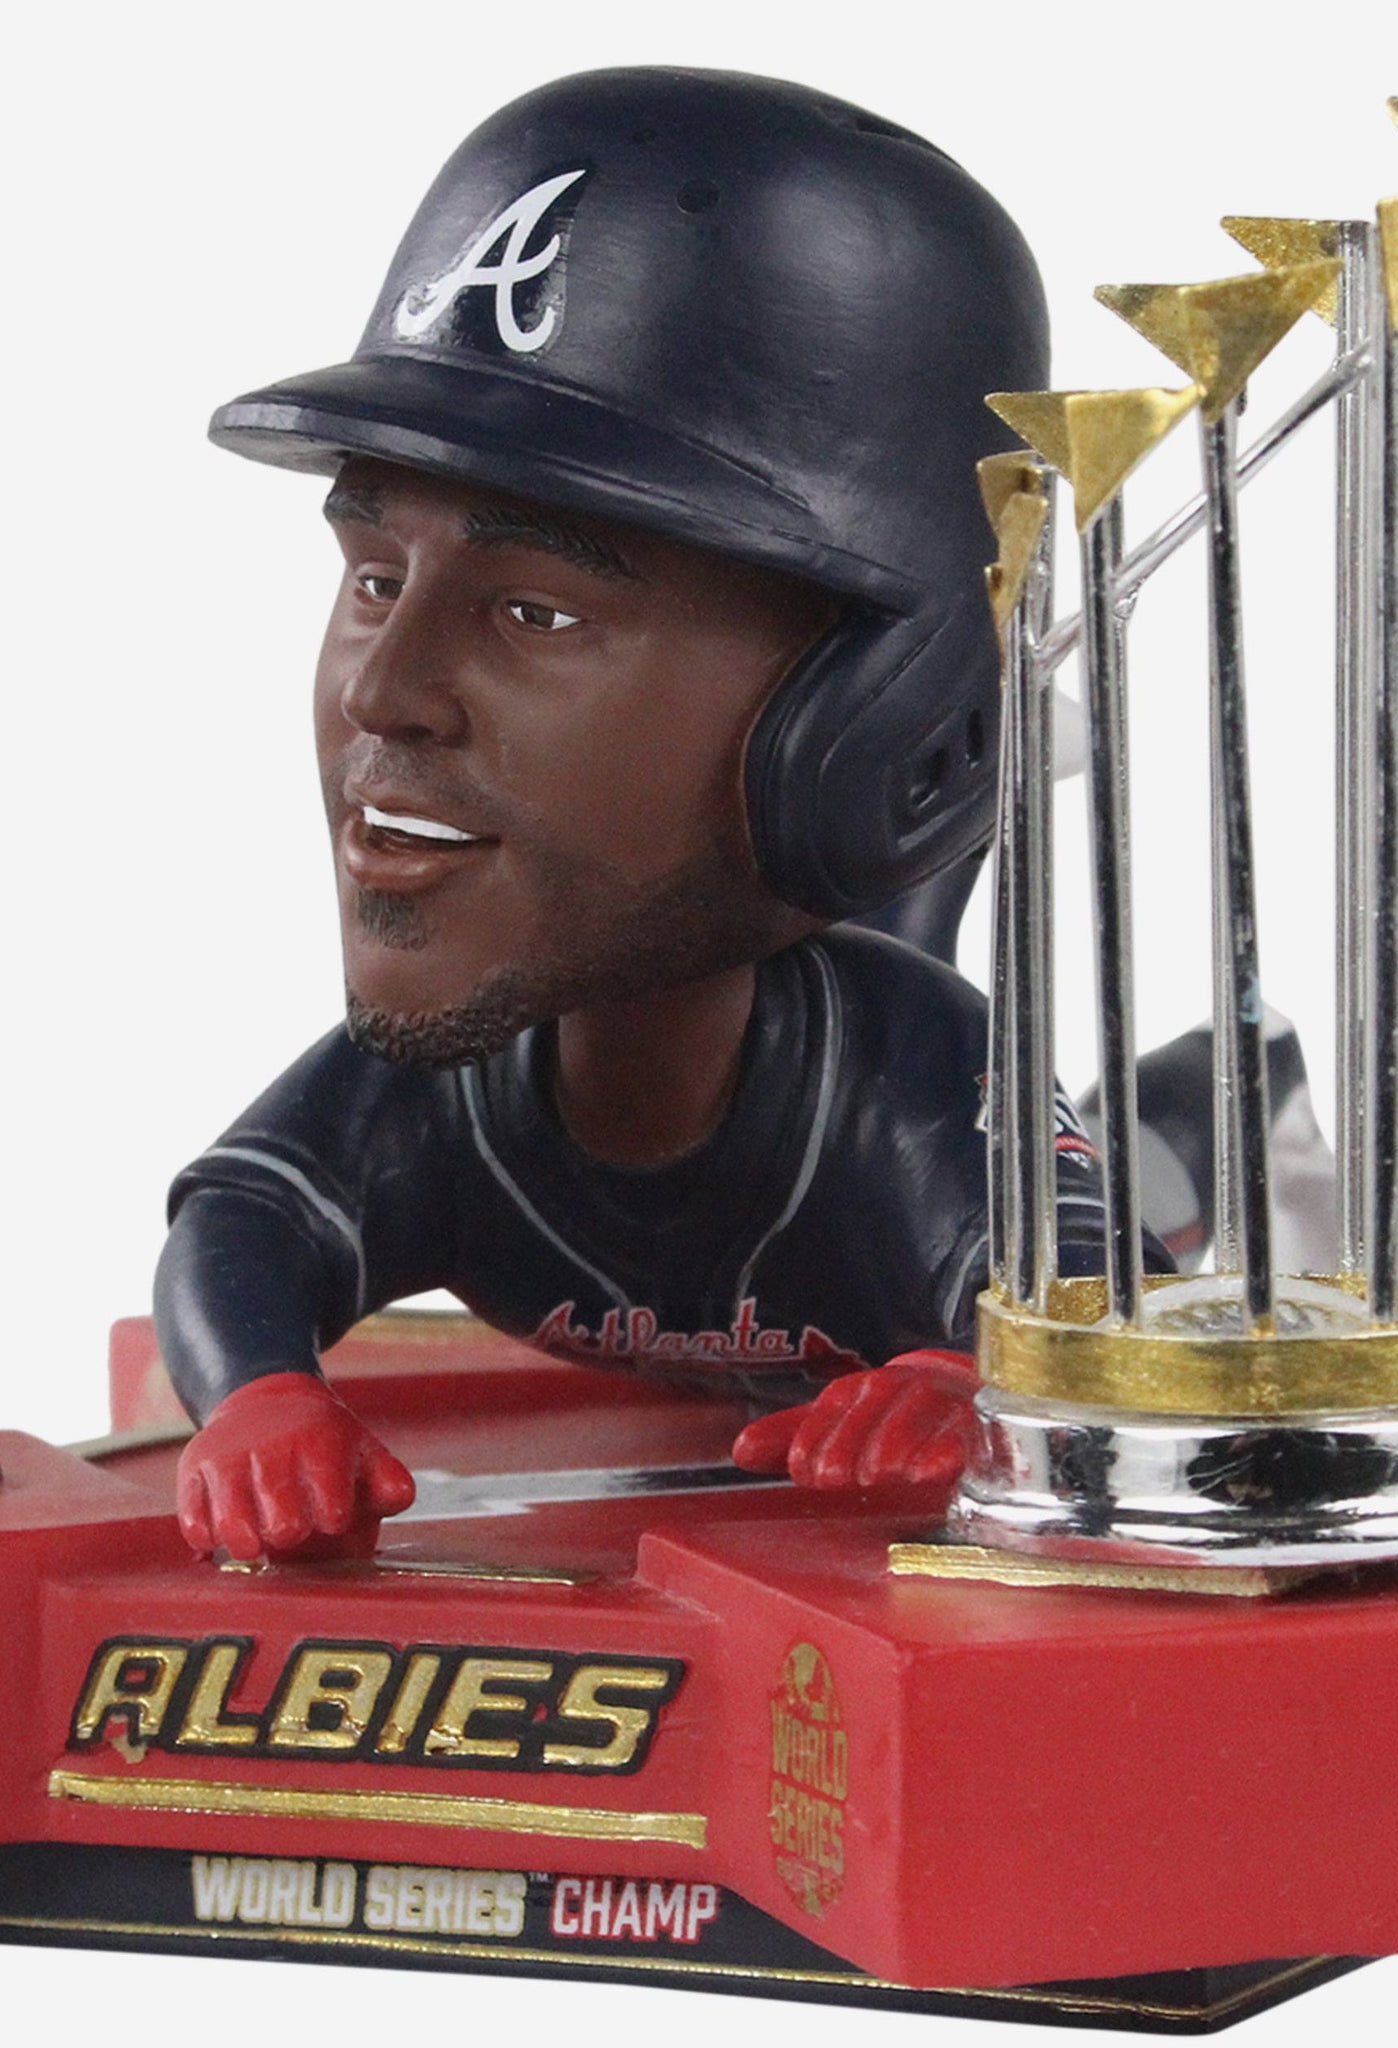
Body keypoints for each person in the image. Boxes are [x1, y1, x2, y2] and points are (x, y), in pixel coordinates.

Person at [160, 66, 1142, 1562]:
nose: (384, 693)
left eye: (537, 613)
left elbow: (1085, 1274)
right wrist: (259, 1396)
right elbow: (239, 1225)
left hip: (1081, 1178)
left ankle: (1234, 1092)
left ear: (868, 726)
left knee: (1187, 1160)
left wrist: (982, 1379)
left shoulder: (903, 1063)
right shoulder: (438, 1084)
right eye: (373, 580)